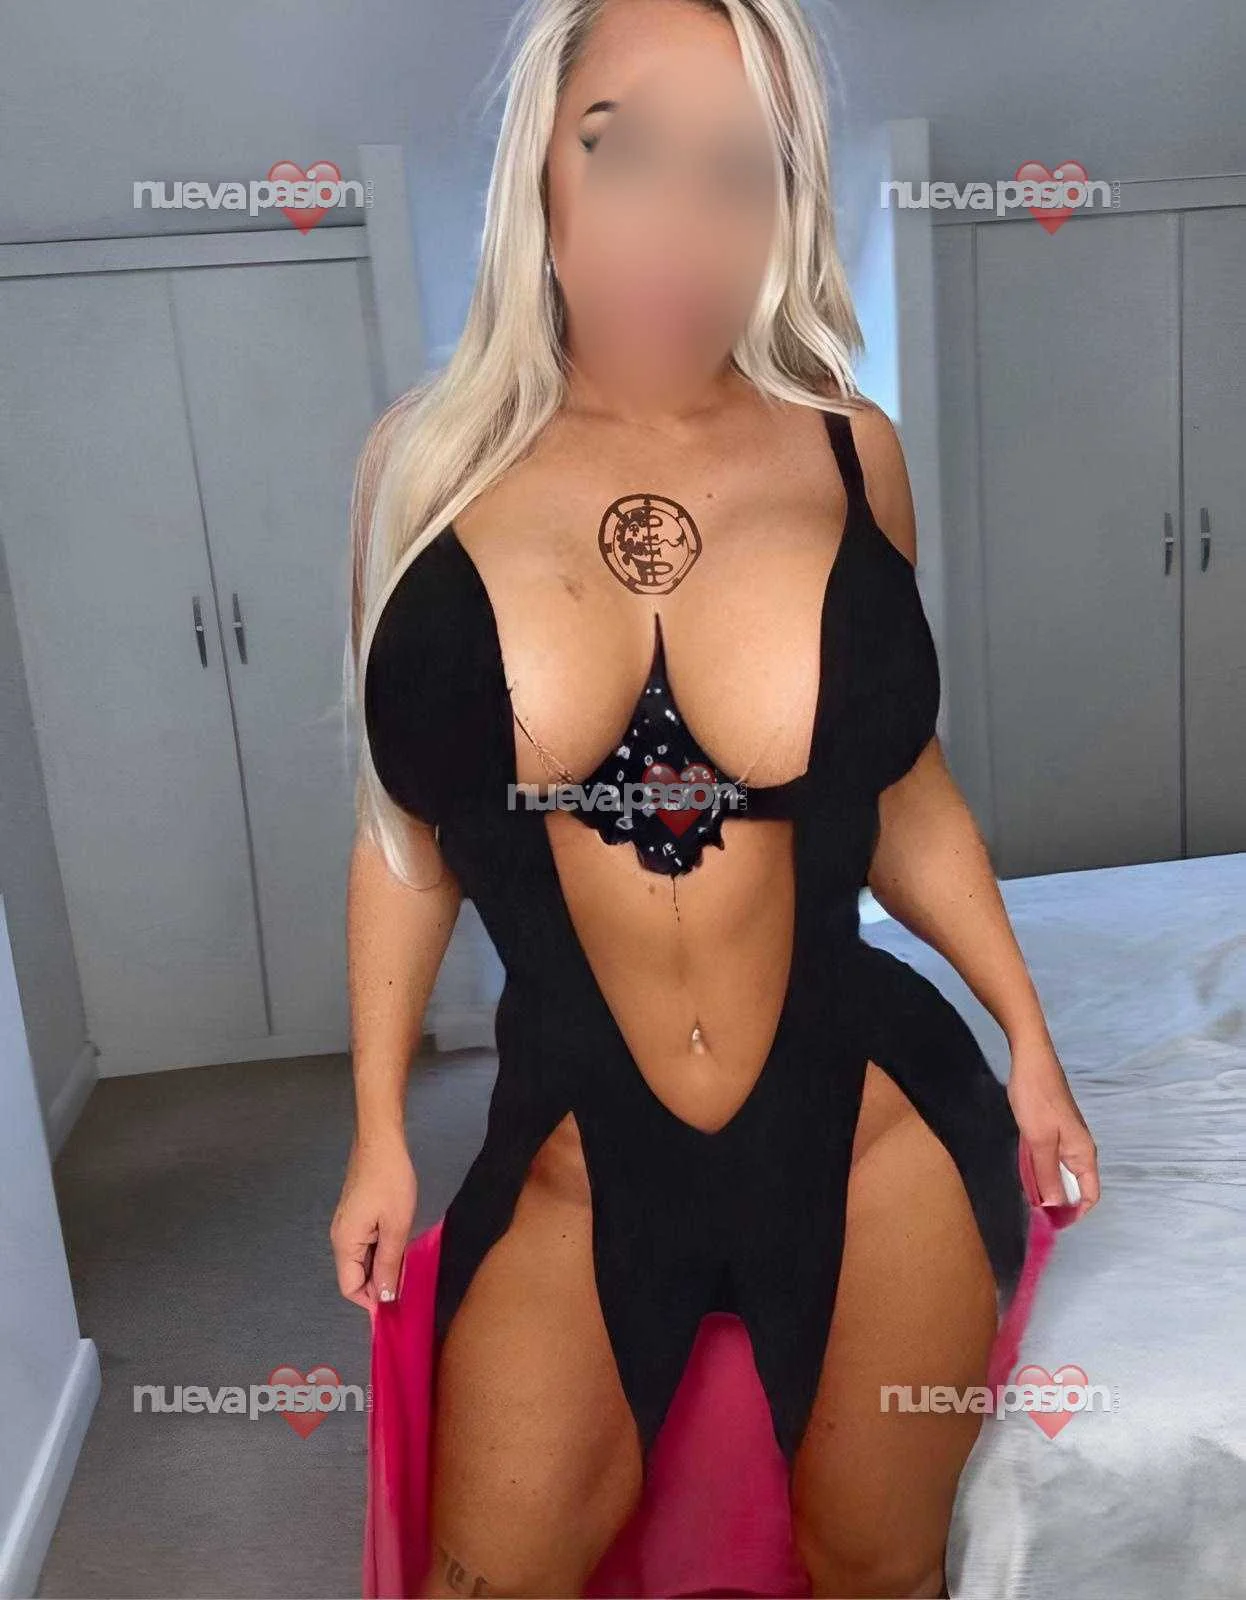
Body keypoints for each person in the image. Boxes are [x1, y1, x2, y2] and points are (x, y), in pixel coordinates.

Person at [334, 1, 1100, 1595]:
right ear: (538, 168)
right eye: (623, 153)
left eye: (740, 171)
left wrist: (1028, 1040)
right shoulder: (420, 472)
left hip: (868, 1120)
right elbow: (404, 842)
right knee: (488, 1573)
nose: (679, 229)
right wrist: (376, 1134)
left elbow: (905, 788)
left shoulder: (847, 452)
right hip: (579, 1139)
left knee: (876, 1570)